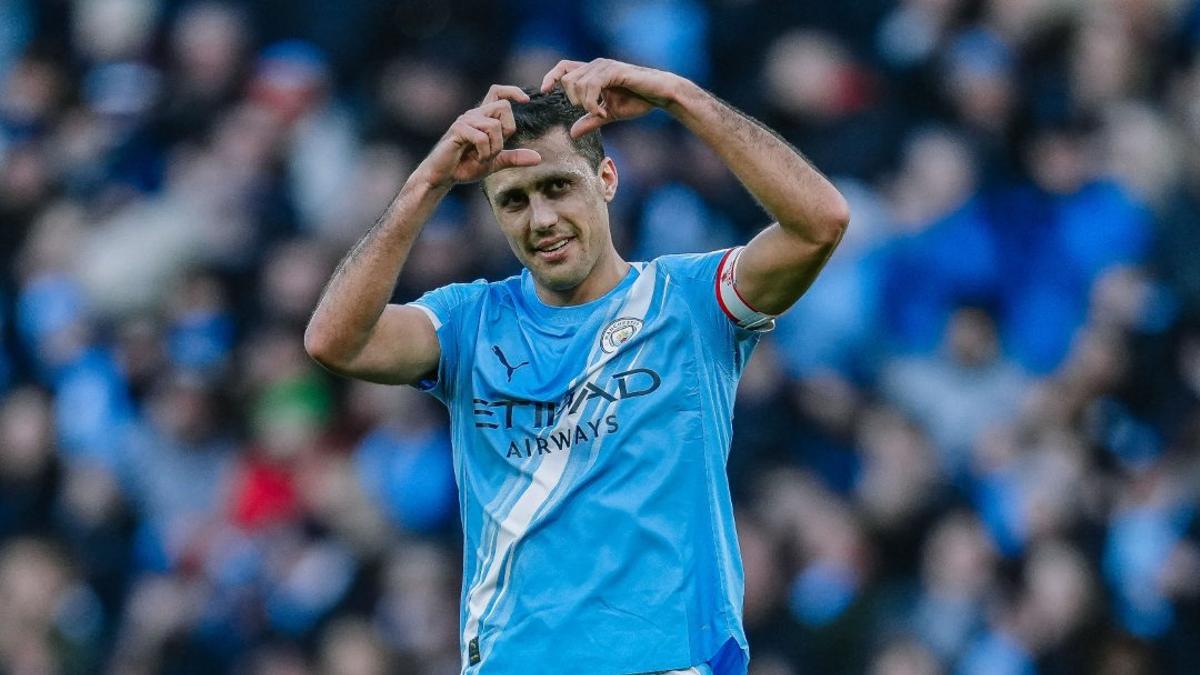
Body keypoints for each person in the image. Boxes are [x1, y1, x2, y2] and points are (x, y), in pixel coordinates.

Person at [304, 58, 849, 674]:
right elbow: (334, 341)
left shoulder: (691, 300)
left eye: (558, 186)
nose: (541, 220)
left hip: (669, 661)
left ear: (607, 178)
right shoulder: (467, 321)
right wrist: (426, 183)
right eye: (514, 200)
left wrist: (679, 96)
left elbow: (819, 224)